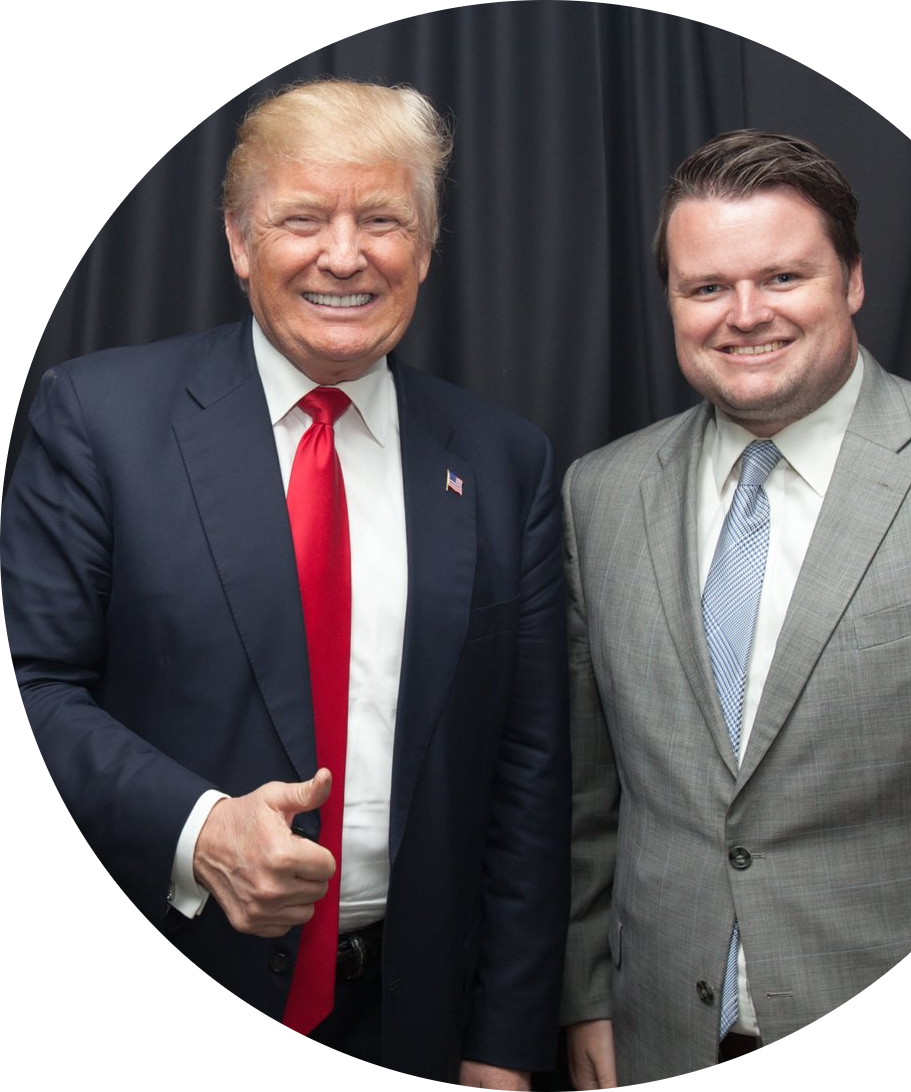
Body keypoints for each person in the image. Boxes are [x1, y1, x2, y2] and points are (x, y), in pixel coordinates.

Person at [0, 79, 570, 1088]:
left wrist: (504, 1041)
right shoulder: (98, 420)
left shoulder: (502, 460)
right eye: (303, 219)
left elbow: (528, 768)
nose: (344, 256)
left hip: (416, 1021)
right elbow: (35, 685)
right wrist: (199, 829)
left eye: (382, 220)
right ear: (238, 240)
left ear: (426, 249)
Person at [561, 130, 911, 1084]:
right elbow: (589, 799)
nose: (745, 315)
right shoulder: (600, 494)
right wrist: (586, 994)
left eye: (783, 277)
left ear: (851, 281)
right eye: (706, 287)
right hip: (660, 1040)